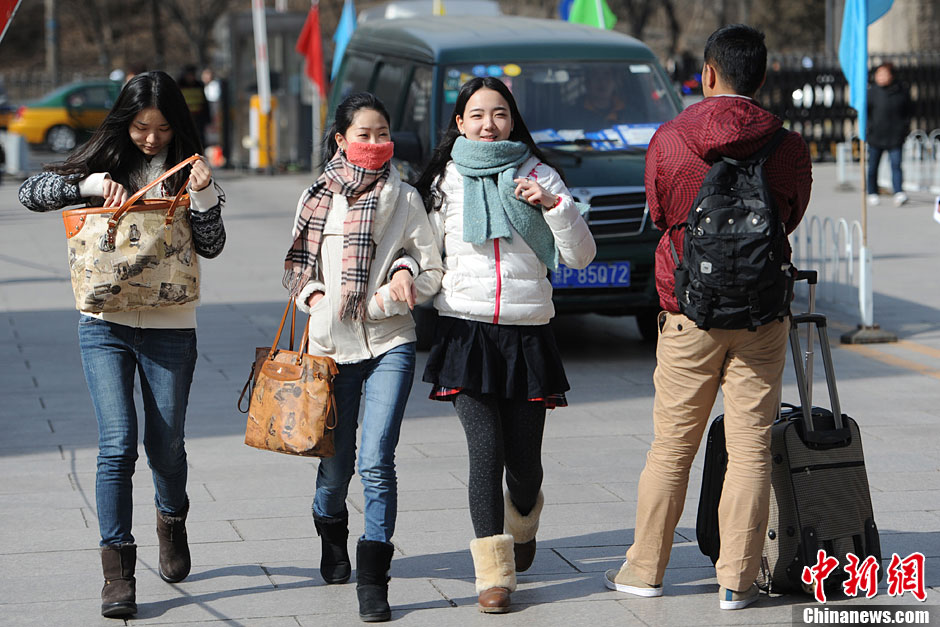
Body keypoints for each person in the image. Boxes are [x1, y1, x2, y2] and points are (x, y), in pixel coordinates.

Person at [603, 24, 811, 610]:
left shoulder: (670, 138)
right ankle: (737, 582)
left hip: (687, 309)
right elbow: (789, 216)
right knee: (749, 449)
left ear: (707, 75)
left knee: (671, 446)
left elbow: (661, 210)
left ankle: (644, 570)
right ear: (762, 79)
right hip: (763, 314)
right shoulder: (788, 145)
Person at [18, 70, 225, 619]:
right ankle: (118, 572)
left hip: (171, 327)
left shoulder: (189, 170)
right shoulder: (101, 160)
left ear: (175, 125)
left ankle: (172, 517)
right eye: (140, 127)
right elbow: (29, 192)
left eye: (160, 128)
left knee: (166, 445)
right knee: (117, 445)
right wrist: (86, 186)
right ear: (124, 122)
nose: (151, 139)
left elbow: (214, 245)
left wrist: (203, 196)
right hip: (103, 323)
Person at [413, 76, 596, 613]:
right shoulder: (442, 183)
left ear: (512, 121)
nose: (487, 124)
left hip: (527, 334)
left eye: (498, 114)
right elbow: (426, 257)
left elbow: (580, 256)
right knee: (484, 453)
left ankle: (524, 517)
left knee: (525, 465)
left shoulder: (539, 175)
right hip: (465, 331)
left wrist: (554, 205)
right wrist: (403, 281)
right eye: (476, 114)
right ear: (459, 123)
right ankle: (493, 576)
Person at [284, 92, 442, 622]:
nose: (374, 144)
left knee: (376, 462)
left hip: (391, 340)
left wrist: (408, 277)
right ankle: (330, 529)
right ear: (341, 140)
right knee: (336, 469)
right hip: (332, 349)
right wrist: (319, 302)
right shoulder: (315, 196)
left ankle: (374, 579)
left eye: (382, 134)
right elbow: (296, 270)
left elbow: (432, 266)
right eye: (364, 134)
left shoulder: (405, 197)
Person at [866, 62, 913, 207]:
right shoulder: (872, 91)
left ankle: (898, 191)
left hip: (895, 135)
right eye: (879, 74)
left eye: (885, 74)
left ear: (891, 75)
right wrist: (869, 128)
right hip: (876, 135)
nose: (881, 77)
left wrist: (904, 129)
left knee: (896, 164)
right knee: (873, 166)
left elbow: (908, 111)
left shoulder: (901, 90)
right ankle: (872, 192)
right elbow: (866, 113)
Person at [177, 65, 210, 148]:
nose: (191, 77)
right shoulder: (179, 85)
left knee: (199, 139)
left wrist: (207, 118)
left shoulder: (199, 86)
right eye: (189, 75)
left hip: (198, 118)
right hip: (184, 118)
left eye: (192, 75)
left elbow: (204, 102)